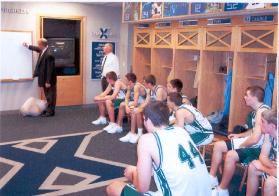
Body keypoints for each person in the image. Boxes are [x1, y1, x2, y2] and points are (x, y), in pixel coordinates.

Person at [106, 101, 212, 196]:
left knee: (113, 187)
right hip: (206, 192)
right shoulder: (182, 132)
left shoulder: (146, 140)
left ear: (146, 119)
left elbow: (142, 188)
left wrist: (134, 173)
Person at [209, 86, 270, 196]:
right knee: (218, 145)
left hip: (258, 148)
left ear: (254, 98)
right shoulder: (257, 111)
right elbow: (253, 130)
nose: (244, 97)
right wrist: (239, 135)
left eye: (247, 95)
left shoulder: (262, 111)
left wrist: (241, 144)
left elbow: (255, 139)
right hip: (252, 143)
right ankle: (212, 178)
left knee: (231, 155)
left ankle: (223, 189)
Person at [107, 73, 147, 143]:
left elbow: (135, 102)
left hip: (143, 104)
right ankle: (119, 126)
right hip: (136, 103)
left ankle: (135, 133)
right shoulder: (129, 86)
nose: (124, 81)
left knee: (133, 110)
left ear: (130, 81)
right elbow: (126, 98)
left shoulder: (136, 87)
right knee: (122, 104)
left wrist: (129, 108)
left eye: (125, 80)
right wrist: (126, 106)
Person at [246, 109, 277, 196]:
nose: (259, 124)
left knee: (270, 182)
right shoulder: (268, 134)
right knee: (253, 166)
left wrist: (264, 168)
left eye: (263, 122)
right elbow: (263, 156)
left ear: (272, 126)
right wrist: (272, 167)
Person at [23, 38, 56, 117]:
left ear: (42, 45)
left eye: (39, 44)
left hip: (49, 80)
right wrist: (28, 46)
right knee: (48, 95)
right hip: (44, 79)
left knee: (50, 96)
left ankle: (50, 112)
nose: (38, 46)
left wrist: (48, 81)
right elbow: (36, 49)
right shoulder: (43, 50)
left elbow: (50, 69)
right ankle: (49, 110)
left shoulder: (49, 54)